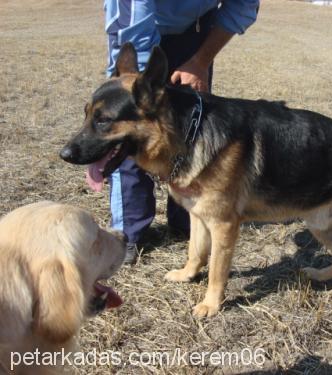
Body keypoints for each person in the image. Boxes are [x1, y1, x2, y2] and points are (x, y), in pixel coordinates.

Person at [104, 0, 259, 263]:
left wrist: (200, 61)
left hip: (197, 27)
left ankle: (186, 215)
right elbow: (137, 27)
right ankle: (129, 230)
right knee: (134, 128)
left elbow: (242, 7)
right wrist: (145, 94)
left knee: (190, 125)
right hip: (138, 22)